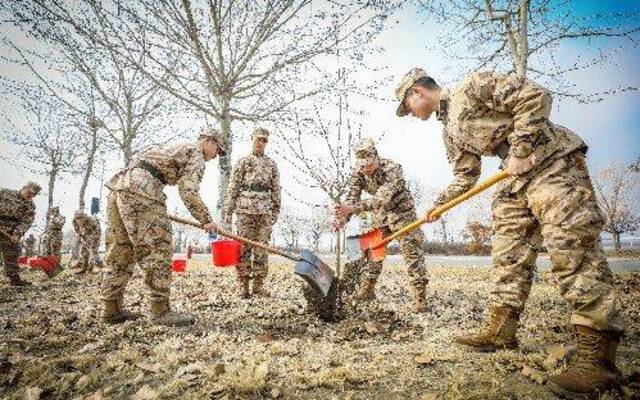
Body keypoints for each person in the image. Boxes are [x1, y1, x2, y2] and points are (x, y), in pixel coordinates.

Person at [395, 67, 622, 397]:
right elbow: (465, 175)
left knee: (571, 248)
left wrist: (519, 151)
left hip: (551, 161)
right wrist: (439, 205)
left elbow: (535, 96)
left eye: (406, 106)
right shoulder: (450, 131)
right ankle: (502, 329)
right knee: (507, 254)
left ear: (417, 92)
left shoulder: (472, 86)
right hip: (514, 178)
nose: (409, 114)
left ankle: (598, 358)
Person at [101, 127, 225, 326]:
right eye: (217, 150)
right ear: (209, 141)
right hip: (143, 190)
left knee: (121, 249)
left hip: (121, 185)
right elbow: (188, 191)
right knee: (158, 248)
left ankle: (110, 308)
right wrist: (206, 219)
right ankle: (160, 310)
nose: (216, 156)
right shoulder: (196, 154)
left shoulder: (177, 147)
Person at [334, 138, 429, 312]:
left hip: (402, 213)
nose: (365, 169)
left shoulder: (392, 169)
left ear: (376, 157)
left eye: (368, 165)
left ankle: (420, 298)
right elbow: (352, 198)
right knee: (373, 250)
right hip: (381, 215)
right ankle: (368, 290)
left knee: (412, 253)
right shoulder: (359, 172)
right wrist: (342, 217)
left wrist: (352, 209)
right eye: (362, 165)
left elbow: (380, 200)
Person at [225, 128, 281, 298]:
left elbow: (276, 188)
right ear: (252, 139)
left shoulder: (271, 164)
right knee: (243, 248)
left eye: (264, 140)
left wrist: (276, 209)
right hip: (245, 209)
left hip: (265, 210)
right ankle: (243, 286)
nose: (261, 143)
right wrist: (229, 209)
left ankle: (258, 285)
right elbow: (233, 186)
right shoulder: (243, 162)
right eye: (258, 139)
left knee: (262, 248)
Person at [0, 181, 41, 286]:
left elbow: (25, 222)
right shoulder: (5, 193)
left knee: (13, 253)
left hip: (10, 230)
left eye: (33, 194)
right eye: (29, 192)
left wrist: (16, 234)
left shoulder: (30, 206)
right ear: (24, 188)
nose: (30, 195)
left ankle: (14, 278)